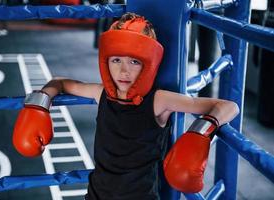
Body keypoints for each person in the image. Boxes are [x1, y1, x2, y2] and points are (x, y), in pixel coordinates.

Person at [12, 13, 239, 199]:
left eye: (134, 62)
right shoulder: (100, 93)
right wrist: (40, 102)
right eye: (116, 60)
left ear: (147, 65)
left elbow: (229, 106)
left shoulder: (159, 100)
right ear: (106, 61)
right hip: (96, 196)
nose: (123, 71)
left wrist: (202, 130)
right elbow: (59, 82)